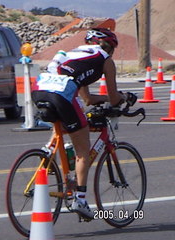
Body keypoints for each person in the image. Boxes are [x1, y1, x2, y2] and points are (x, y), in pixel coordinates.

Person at [32, 28, 136, 220]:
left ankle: (51, 153)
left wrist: (104, 98)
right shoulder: (105, 59)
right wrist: (125, 97)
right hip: (61, 93)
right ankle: (80, 199)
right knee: (83, 148)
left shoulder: (76, 55)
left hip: (40, 88)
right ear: (110, 47)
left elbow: (87, 99)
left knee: (69, 127)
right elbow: (113, 99)